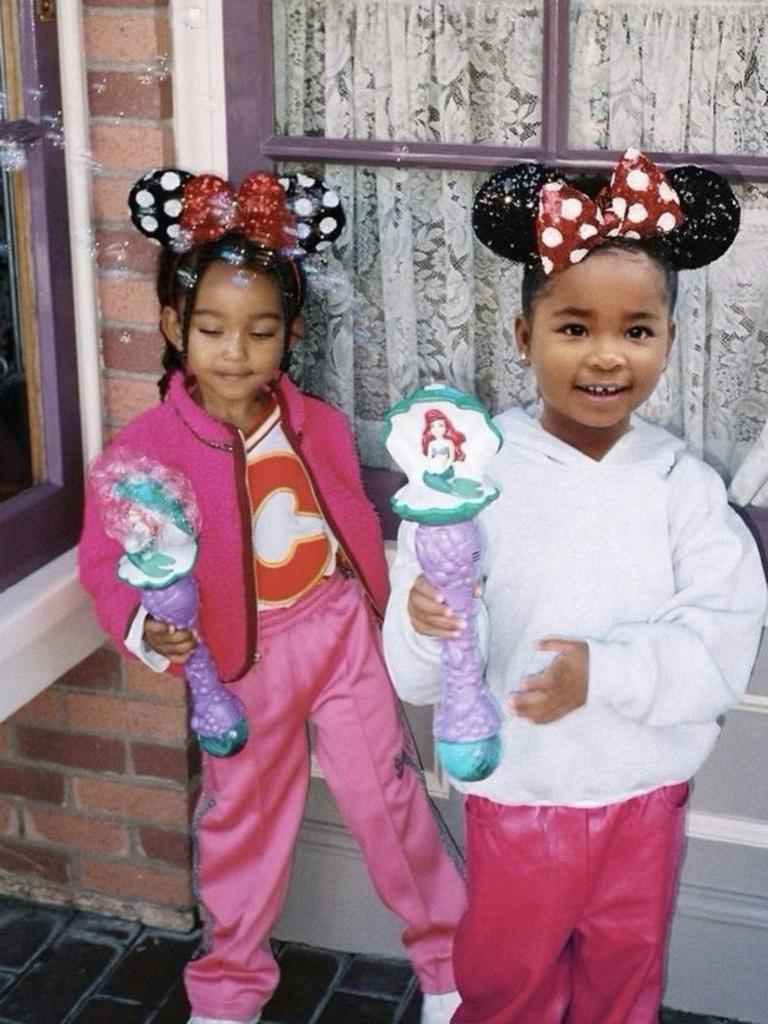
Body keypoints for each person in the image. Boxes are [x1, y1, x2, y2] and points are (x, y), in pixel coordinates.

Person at [382, 149, 768, 1024]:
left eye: (637, 329)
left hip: (643, 798)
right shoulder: (471, 479)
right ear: (524, 336)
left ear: (669, 340)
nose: (606, 356)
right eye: (572, 327)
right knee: (506, 982)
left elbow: (722, 635)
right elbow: (414, 675)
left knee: (623, 984)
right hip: (519, 797)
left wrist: (607, 673)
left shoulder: (682, 487)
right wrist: (423, 619)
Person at [79, 168, 465, 1024]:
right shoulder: (146, 451)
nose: (235, 351)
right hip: (236, 661)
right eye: (212, 328)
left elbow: (354, 518)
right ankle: (229, 989)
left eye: (260, 332)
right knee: (242, 825)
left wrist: (383, 603)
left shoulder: (314, 422)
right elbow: (107, 561)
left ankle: (447, 966)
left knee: (390, 800)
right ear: (175, 326)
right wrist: (149, 628)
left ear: (289, 334)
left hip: (335, 636)